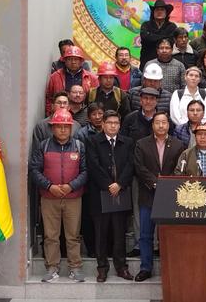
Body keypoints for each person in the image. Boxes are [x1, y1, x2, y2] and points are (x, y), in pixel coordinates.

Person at [29, 108, 87, 283]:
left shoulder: (79, 146)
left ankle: (75, 267)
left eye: (66, 126)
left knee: (73, 235)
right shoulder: (43, 146)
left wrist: (71, 186)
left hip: (73, 198)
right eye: (59, 126)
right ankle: (52, 267)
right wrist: (49, 186)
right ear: (52, 127)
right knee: (51, 235)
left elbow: (85, 172)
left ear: (71, 128)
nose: (63, 130)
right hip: (49, 198)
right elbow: (34, 170)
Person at [133, 112, 185, 282]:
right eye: (157, 122)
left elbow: (180, 169)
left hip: (170, 196)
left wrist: (166, 185)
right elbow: (139, 168)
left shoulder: (178, 145)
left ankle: (168, 267)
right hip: (148, 194)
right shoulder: (142, 144)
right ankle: (145, 268)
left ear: (168, 125)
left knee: (168, 234)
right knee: (145, 234)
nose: (161, 126)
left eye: (164, 122)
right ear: (152, 125)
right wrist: (155, 183)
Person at [86, 110, 135, 282]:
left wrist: (119, 184)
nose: (113, 125)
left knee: (119, 233)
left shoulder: (127, 142)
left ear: (120, 125)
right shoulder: (92, 141)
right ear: (103, 124)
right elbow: (93, 165)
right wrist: (109, 185)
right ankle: (102, 268)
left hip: (121, 193)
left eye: (116, 123)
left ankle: (121, 267)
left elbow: (131, 165)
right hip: (100, 194)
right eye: (110, 123)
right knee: (101, 233)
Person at [120, 87, 159, 258]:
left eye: (152, 98)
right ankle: (138, 243)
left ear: (157, 101)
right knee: (138, 209)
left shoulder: (161, 119)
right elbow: (124, 145)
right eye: (145, 98)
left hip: (159, 175)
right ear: (140, 100)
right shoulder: (130, 119)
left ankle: (157, 244)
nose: (148, 101)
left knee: (159, 208)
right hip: (136, 172)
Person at [74, 102, 104, 258]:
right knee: (88, 216)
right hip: (88, 181)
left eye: (100, 114)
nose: (98, 117)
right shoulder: (82, 134)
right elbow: (81, 159)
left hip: (105, 182)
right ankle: (91, 248)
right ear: (89, 117)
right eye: (94, 114)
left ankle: (105, 248)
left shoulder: (108, 130)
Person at [46, 46, 98, 116]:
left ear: (81, 61)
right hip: (60, 114)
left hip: (84, 115)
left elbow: (96, 100)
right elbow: (49, 98)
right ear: (65, 61)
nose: (73, 62)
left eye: (76, 59)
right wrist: (49, 114)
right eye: (70, 59)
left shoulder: (91, 78)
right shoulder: (55, 77)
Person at [140, 0, 177, 71]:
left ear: (166, 13)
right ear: (153, 13)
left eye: (162, 10)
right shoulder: (146, 25)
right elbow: (145, 37)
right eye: (157, 10)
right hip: (147, 62)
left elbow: (171, 41)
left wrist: (152, 36)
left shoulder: (172, 26)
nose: (159, 12)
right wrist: (165, 37)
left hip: (166, 63)